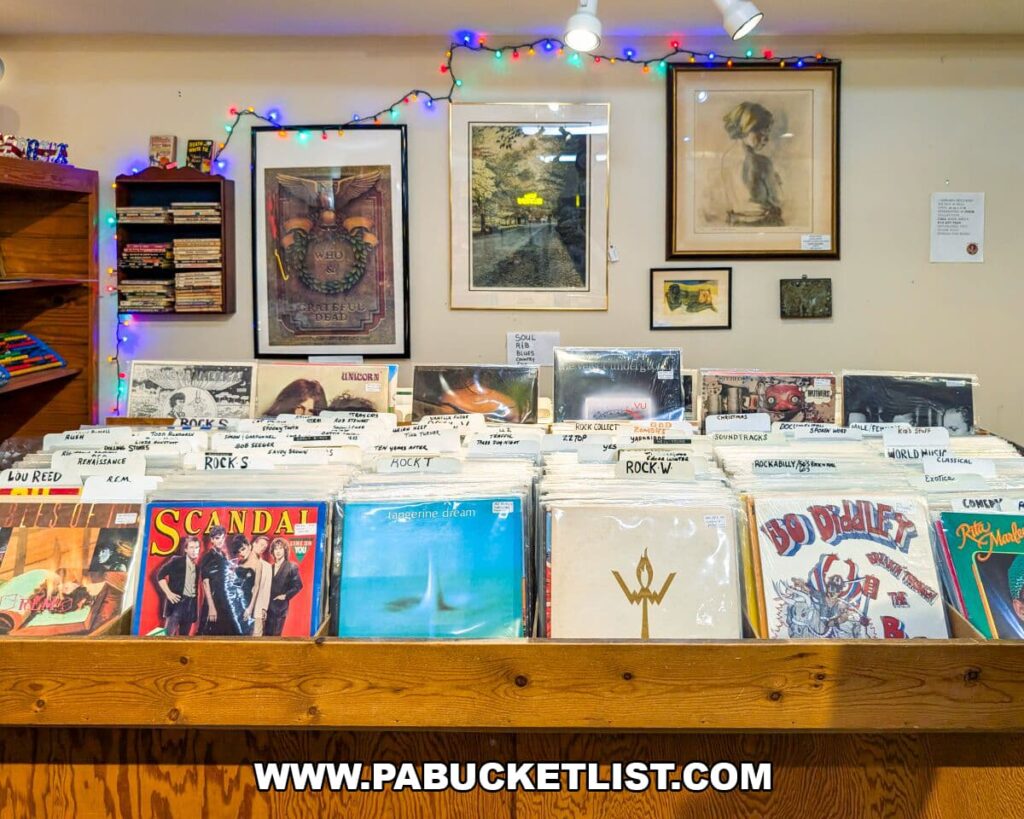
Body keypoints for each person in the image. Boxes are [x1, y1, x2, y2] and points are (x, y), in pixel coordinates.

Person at [720, 101, 784, 227]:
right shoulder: (763, 163)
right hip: (762, 223)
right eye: (761, 131)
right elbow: (779, 199)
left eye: (768, 132)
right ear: (746, 129)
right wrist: (777, 181)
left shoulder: (726, 158)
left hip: (735, 223)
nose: (766, 138)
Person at [198, 526, 248, 635]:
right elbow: (205, 583)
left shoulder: (223, 556)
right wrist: (211, 606)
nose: (220, 540)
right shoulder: (208, 557)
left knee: (228, 633)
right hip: (215, 600)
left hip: (225, 599)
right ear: (212, 540)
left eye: (222, 537)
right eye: (217, 538)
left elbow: (226, 578)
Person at [155, 535, 201, 636]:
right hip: (177, 604)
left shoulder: (197, 567)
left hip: (190, 606)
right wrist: (169, 593)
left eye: (197, 547)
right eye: (192, 547)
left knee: (184, 639)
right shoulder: (176, 561)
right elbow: (160, 575)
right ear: (186, 549)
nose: (194, 550)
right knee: (168, 637)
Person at [264, 538, 303, 636]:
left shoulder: (291, 567)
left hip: (280, 608)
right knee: (265, 636)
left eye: (280, 548)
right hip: (267, 607)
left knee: (275, 636)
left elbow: (298, 585)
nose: (278, 551)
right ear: (272, 551)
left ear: (285, 550)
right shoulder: (269, 567)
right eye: (275, 549)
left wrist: (285, 596)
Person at [242, 535, 273, 636]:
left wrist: (264, 608)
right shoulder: (241, 562)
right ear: (253, 543)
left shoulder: (267, 567)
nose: (263, 548)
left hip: (258, 608)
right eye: (261, 545)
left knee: (256, 636)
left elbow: (266, 588)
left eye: (265, 547)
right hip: (242, 607)